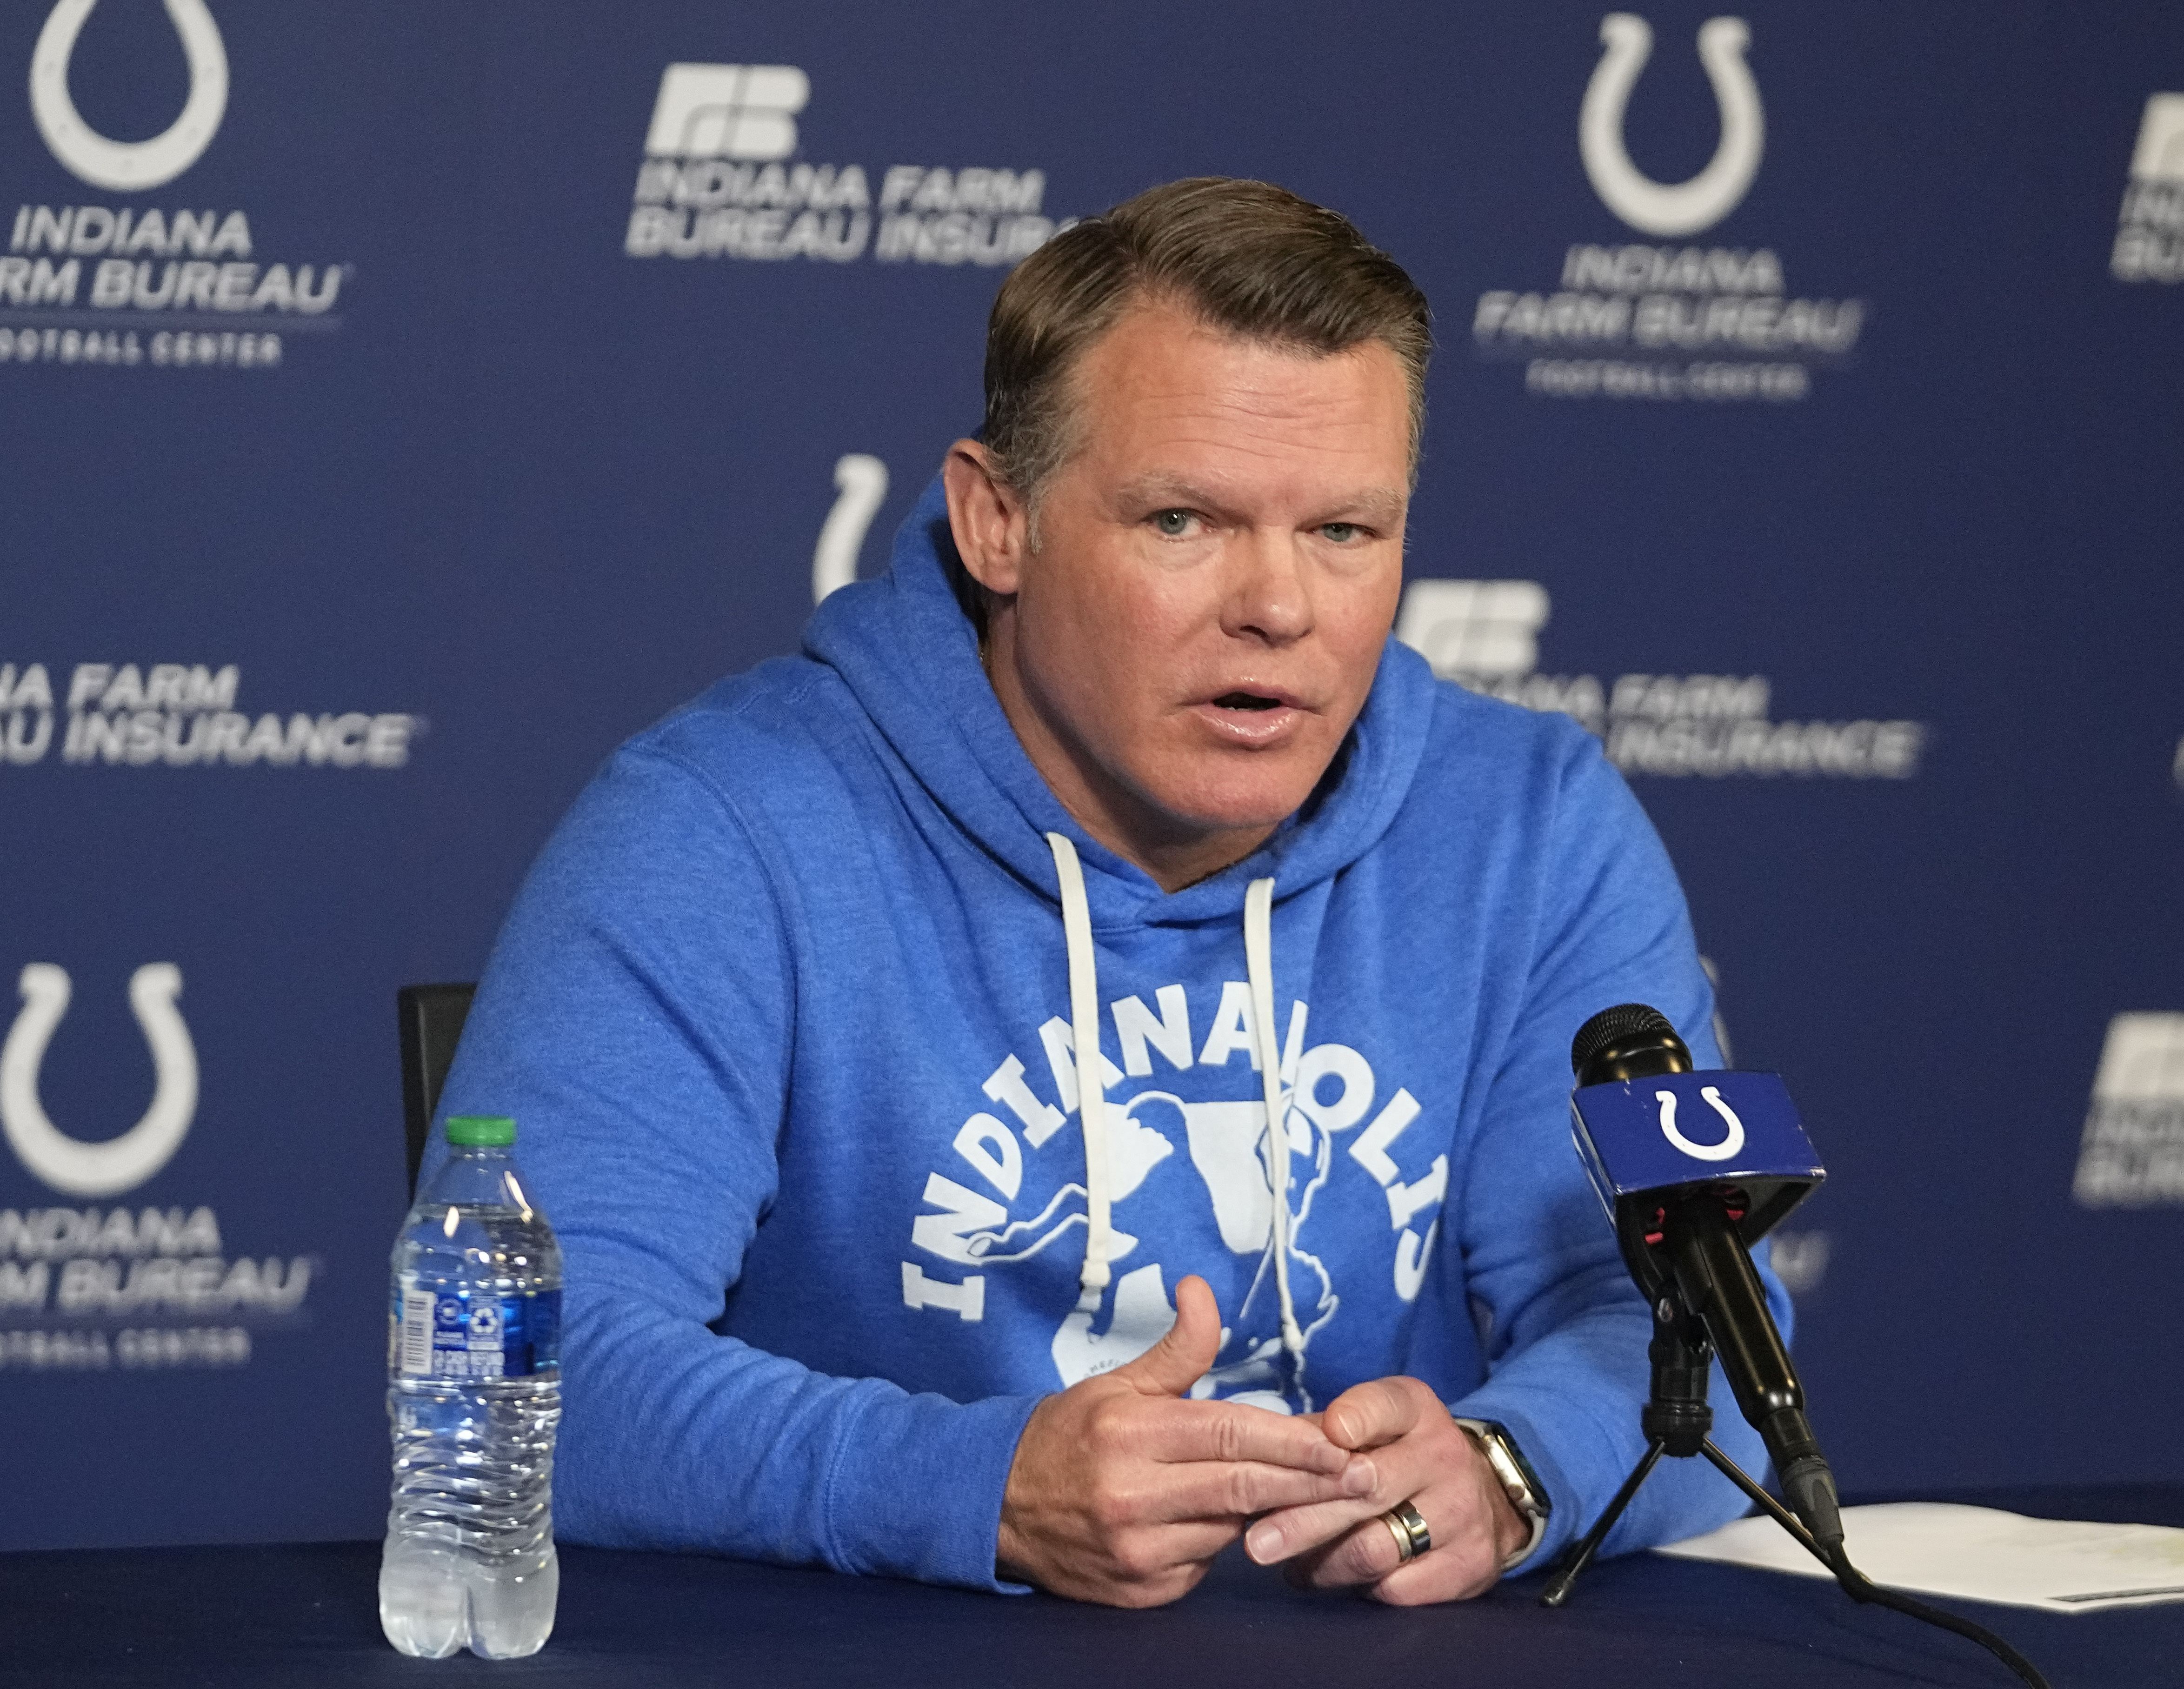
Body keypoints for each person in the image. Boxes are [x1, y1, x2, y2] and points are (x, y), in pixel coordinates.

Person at [434, 177, 1791, 1608]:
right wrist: (974, 1487)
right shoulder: (719, 829)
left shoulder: (1534, 827)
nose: (1279, 607)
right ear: (997, 521)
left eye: (1345, 531)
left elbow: (1707, 1327)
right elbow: (511, 1373)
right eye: (1184, 521)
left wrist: (1514, 1471)